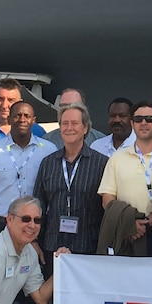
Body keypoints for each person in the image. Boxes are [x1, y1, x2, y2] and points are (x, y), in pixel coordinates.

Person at [0, 101, 56, 237]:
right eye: (17, 115)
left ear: (33, 121)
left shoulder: (48, 150)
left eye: (26, 116)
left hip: (36, 228)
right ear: (9, 119)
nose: (22, 119)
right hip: (0, 226)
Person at [33, 103, 108, 259]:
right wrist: (34, 241)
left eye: (75, 123)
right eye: (64, 123)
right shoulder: (48, 163)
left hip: (88, 247)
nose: (69, 128)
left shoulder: (101, 163)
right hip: (52, 245)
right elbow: (38, 204)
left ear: (85, 128)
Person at [97, 100, 152, 255]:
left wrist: (145, 224)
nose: (144, 123)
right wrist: (130, 223)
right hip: (124, 232)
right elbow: (107, 198)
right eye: (138, 119)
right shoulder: (117, 158)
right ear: (132, 123)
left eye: (150, 119)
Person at [0, 77, 45, 144]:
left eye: (11, 100)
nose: (4, 105)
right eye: (0, 99)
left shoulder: (36, 131)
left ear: (20, 103)